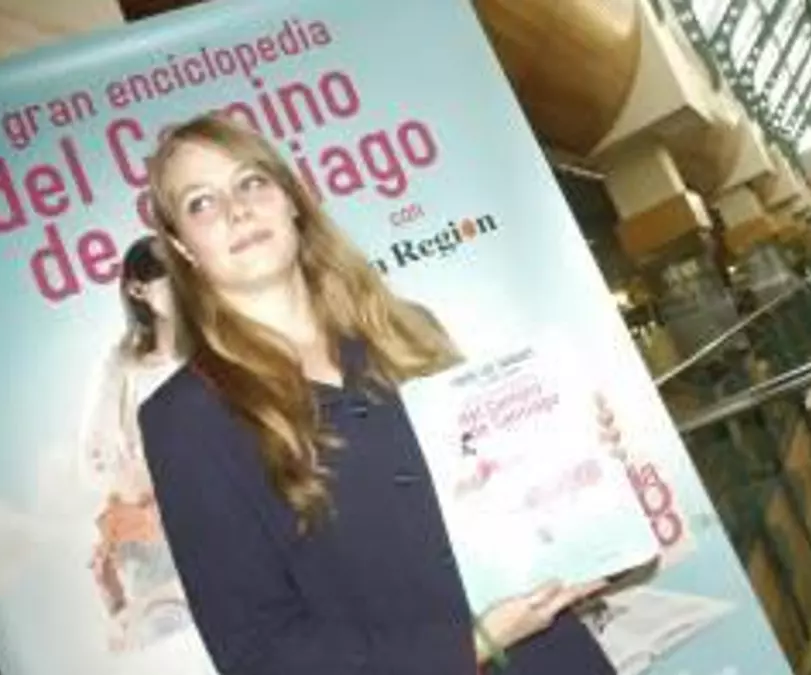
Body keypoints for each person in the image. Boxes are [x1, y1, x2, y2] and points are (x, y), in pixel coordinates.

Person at [138, 112, 617, 674]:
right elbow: (258, 652)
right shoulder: (186, 419)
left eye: (252, 182)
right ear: (182, 246)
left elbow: (504, 500)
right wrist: (474, 644)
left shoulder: (408, 331)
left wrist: (574, 463)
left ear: (291, 199)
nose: (236, 209)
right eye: (201, 202)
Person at [80, 236, 189, 651]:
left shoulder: (220, 344)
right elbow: (95, 460)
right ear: (138, 289)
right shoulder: (122, 366)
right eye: (171, 274)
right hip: (160, 537)